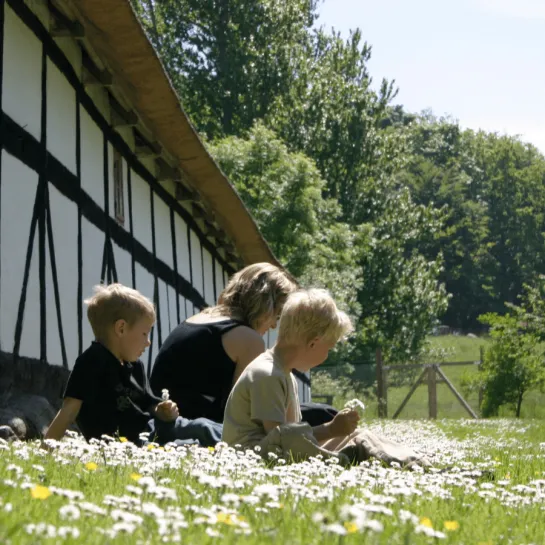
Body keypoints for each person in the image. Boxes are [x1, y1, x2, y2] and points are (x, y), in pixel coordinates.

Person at [222, 289, 431, 468]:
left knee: (359, 437)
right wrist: (330, 429)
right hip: (252, 459)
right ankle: (351, 459)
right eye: (329, 348)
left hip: (276, 452)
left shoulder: (283, 373)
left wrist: (335, 432)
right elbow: (282, 438)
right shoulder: (266, 375)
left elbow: (294, 439)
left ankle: (414, 461)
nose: (327, 355)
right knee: (341, 441)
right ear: (313, 343)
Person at [44, 284, 221, 447]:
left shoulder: (135, 366)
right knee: (192, 446)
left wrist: (162, 410)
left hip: (153, 428)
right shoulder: (91, 362)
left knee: (202, 426)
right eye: (144, 334)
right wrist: (45, 450)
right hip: (130, 444)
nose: (148, 342)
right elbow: (68, 411)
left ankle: (242, 439)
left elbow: (149, 404)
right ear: (121, 328)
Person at [150, 263, 298, 423]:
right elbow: (244, 412)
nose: (274, 326)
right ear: (266, 307)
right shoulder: (248, 339)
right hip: (193, 426)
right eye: (276, 316)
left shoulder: (200, 318)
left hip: (162, 418)